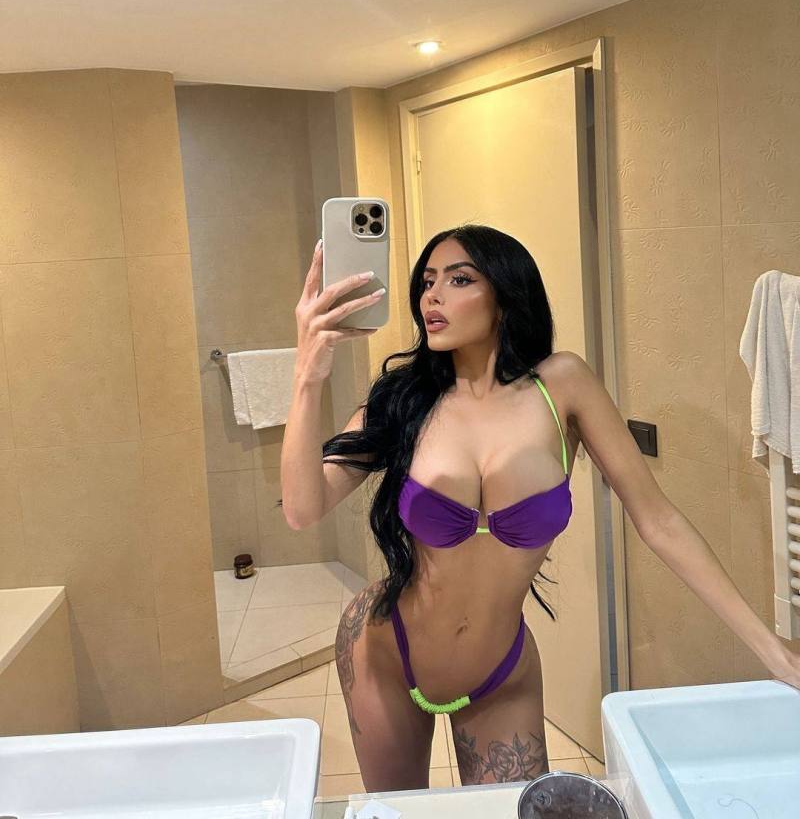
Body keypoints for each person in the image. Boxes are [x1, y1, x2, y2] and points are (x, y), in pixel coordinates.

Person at [281, 223, 800, 792]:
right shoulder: (404, 400)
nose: (433, 296)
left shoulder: (563, 385)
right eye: (427, 282)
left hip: (498, 674)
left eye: (458, 279)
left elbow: (660, 521)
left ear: (505, 294)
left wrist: (773, 651)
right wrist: (308, 375)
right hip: (385, 652)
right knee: (399, 812)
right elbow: (303, 509)